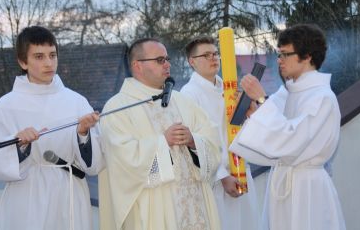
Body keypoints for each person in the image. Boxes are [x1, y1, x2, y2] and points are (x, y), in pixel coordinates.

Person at [0, 26, 104, 230]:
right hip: (27, 195)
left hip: (70, 194)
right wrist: (19, 145)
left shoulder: (76, 101)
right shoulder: (4, 107)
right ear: (23, 62)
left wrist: (83, 134)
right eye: (39, 56)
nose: (48, 63)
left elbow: (95, 163)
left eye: (52, 55)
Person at [229, 24, 346, 230]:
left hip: (307, 188)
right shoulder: (288, 93)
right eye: (278, 54)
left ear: (307, 56)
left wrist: (262, 99)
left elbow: (291, 140)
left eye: (285, 54)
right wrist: (253, 113)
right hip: (283, 182)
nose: (279, 61)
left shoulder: (322, 98)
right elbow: (272, 131)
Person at [98, 37, 221, 230]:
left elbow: (213, 139)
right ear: (137, 66)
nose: (167, 64)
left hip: (195, 205)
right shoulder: (118, 107)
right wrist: (163, 142)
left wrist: (194, 141)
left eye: (167, 59)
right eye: (159, 60)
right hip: (154, 209)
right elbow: (122, 160)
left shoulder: (182, 101)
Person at [180, 36, 261, 230]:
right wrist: (222, 175)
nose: (213, 58)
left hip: (240, 171)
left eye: (215, 54)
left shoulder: (229, 89)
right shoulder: (188, 94)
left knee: (248, 224)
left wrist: (248, 108)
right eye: (206, 55)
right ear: (192, 61)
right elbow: (192, 143)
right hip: (215, 180)